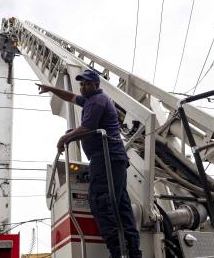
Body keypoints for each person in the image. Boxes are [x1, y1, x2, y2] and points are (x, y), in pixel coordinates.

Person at [36, 69, 142, 258]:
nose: (83, 86)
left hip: (106, 157)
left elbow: (88, 127)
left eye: (87, 83)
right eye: (81, 84)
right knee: (121, 204)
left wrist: (65, 137)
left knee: (101, 201)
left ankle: (118, 251)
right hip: (113, 159)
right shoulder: (90, 100)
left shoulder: (98, 101)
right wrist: (51, 88)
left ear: (96, 85)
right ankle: (133, 251)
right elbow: (70, 96)